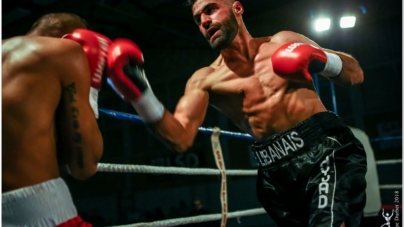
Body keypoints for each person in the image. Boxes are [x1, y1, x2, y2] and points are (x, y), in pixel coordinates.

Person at [105, 0, 367, 226]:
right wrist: (140, 95)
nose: (204, 21)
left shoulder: (283, 42)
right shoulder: (206, 79)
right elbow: (180, 137)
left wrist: (319, 58)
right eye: (198, 19)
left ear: (237, 8)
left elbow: (355, 74)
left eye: (210, 10)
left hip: (325, 150)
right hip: (273, 173)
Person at [2, 13, 109, 226]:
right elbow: (84, 166)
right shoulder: (65, 50)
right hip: (41, 212)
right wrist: (92, 89)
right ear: (73, 38)